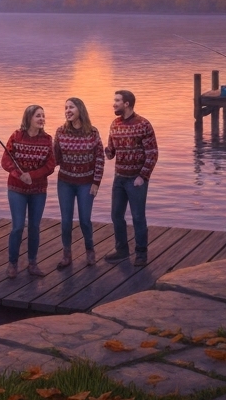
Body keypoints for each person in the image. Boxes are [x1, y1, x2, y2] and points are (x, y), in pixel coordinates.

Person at [1, 104, 57, 278]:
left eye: (43, 116)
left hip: (38, 190)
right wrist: (19, 175)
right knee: (18, 227)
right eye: (38, 116)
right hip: (16, 189)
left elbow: (50, 165)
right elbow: (5, 161)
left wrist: (32, 175)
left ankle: (32, 263)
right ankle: (12, 263)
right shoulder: (16, 137)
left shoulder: (47, 139)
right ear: (28, 118)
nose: (41, 119)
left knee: (34, 226)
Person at [103, 90, 157, 266]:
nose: (114, 103)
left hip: (136, 179)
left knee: (138, 217)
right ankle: (122, 250)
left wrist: (143, 176)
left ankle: (141, 253)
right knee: (116, 215)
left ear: (127, 104)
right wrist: (102, 150)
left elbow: (152, 153)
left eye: (117, 100)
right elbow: (111, 152)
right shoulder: (115, 124)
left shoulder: (143, 124)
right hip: (119, 177)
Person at [53, 97, 104, 269]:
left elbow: (100, 159)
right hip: (65, 182)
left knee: (84, 220)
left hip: (86, 183)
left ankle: (90, 250)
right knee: (66, 220)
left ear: (80, 109)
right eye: (65, 107)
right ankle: (66, 254)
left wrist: (96, 182)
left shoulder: (93, 132)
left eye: (71, 107)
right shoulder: (60, 132)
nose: (67, 110)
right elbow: (54, 158)